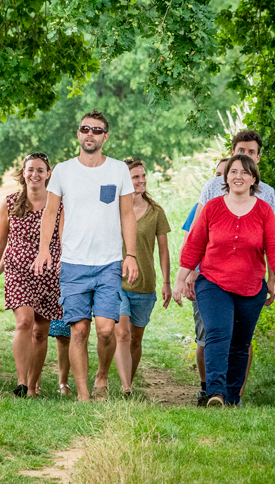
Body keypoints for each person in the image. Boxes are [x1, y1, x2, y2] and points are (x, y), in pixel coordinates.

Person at [32, 109, 139, 402]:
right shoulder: (64, 171)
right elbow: (51, 212)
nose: (89, 134)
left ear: (106, 136)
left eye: (96, 130)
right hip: (74, 264)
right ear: (78, 133)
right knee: (78, 331)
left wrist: (130, 255)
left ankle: (102, 377)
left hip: (107, 263)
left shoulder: (117, 170)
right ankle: (82, 395)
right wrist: (44, 250)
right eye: (85, 129)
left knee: (106, 330)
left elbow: (128, 214)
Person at [173, 154, 275, 407]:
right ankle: (216, 393)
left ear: (253, 179)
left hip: (251, 286)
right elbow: (194, 245)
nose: (238, 176)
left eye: (244, 172)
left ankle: (233, 398)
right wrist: (180, 280)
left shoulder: (263, 210)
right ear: (226, 178)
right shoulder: (213, 207)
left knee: (240, 343)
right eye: (233, 171)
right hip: (213, 282)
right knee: (217, 333)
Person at [0, 153, 64, 397]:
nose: (35, 175)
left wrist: (64, 263)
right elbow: (0, 241)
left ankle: (33, 386)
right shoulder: (10, 203)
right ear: (23, 172)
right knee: (24, 322)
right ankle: (21, 383)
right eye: (30, 169)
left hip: (49, 275)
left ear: (48, 174)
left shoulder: (58, 204)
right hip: (17, 271)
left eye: (40, 170)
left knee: (41, 331)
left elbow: (64, 240)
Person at [114, 158, 172, 395]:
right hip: (116, 281)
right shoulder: (114, 209)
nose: (141, 180)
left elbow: (164, 250)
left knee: (136, 339)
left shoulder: (156, 212)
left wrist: (167, 282)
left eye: (143, 175)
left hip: (145, 284)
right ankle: (126, 386)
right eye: (135, 176)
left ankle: (129, 379)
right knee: (122, 333)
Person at [180, 157, 227, 406]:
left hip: (231, 280)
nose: (220, 180)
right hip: (203, 278)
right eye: (217, 174)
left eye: (225, 174)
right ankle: (205, 388)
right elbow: (190, 240)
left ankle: (229, 391)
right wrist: (188, 274)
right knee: (205, 336)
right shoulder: (203, 206)